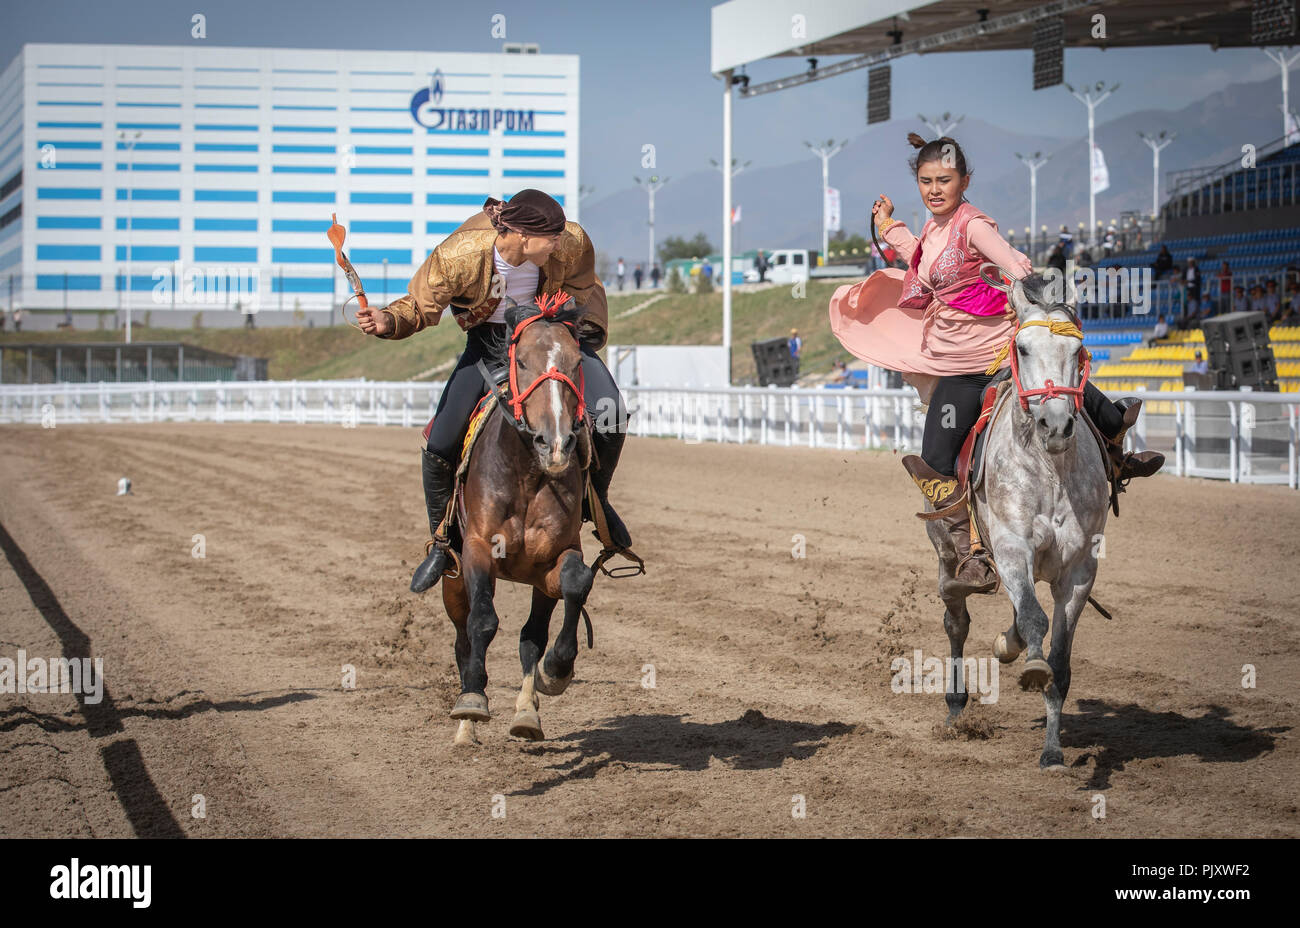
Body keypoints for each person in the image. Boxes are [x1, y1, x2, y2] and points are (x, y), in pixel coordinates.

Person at [828, 133, 1163, 595]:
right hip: (955, 366)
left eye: (944, 180)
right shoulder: (934, 230)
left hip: (992, 356)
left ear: (964, 181)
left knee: (1057, 389)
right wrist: (887, 227)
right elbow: (922, 262)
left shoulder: (972, 225)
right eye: (926, 181)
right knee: (935, 462)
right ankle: (972, 554)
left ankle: (1116, 454)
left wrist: (1034, 302)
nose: (934, 189)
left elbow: (1018, 266)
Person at [354, 189, 632, 593]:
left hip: (550, 334)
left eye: (558, 237)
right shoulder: (459, 254)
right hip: (488, 343)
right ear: (520, 235)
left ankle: (598, 505)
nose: (559, 243)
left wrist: (551, 328)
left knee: (611, 414)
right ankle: (442, 541)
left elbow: (582, 286)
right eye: (550, 239)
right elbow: (419, 305)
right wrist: (387, 321)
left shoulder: (571, 240)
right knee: (440, 440)